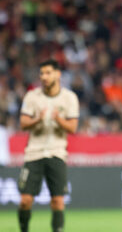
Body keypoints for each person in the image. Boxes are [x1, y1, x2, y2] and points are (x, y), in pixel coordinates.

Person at [17, 60, 79, 232]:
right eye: (42, 73)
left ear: (58, 74)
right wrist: (38, 118)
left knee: (57, 200)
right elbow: (23, 123)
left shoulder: (69, 98)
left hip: (57, 153)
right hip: (33, 153)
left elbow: (73, 127)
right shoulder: (32, 96)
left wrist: (58, 119)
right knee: (25, 200)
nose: (44, 77)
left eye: (48, 73)